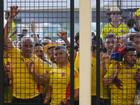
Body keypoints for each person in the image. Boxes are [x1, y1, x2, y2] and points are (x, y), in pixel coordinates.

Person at [4, 36, 50, 105]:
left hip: (34, 98)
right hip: (17, 98)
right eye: (25, 46)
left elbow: (44, 82)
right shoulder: (15, 53)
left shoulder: (39, 61)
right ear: (20, 46)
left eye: (30, 46)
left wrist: (33, 73)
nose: (28, 48)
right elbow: (5, 38)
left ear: (33, 48)